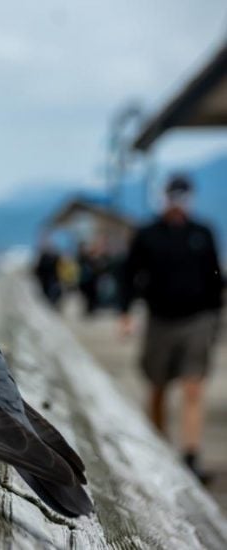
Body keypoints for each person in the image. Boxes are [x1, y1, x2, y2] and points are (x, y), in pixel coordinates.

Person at [119, 175, 223, 483]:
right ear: (163, 197)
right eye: (173, 195)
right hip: (159, 321)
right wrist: (125, 313)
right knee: (157, 386)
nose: (178, 202)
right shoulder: (147, 234)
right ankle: (159, 449)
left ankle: (191, 456)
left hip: (198, 320)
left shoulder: (202, 233)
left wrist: (216, 316)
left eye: (183, 195)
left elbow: (215, 278)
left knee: (194, 386)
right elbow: (129, 274)